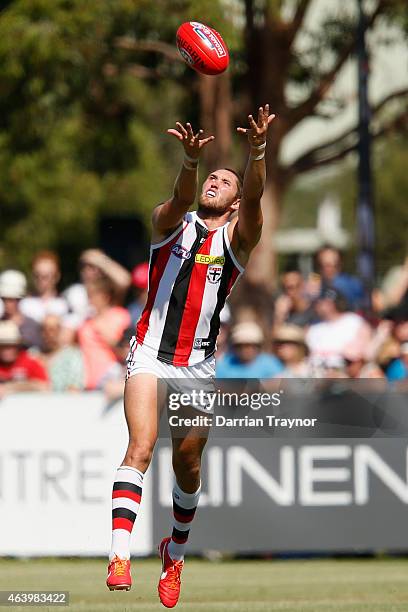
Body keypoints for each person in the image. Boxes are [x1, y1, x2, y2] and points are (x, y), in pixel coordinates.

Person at [106, 105, 275, 607]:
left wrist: (258, 151)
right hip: (150, 354)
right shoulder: (170, 224)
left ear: (236, 200)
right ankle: (119, 554)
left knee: (188, 465)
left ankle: (174, 553)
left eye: (225, 180)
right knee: (141, 446)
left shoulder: (238, 238)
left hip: (197, 367)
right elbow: (182, 194)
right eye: (212, 177)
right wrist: (189, 160)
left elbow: (259, 194)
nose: (215, 183)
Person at [78, 278, 131, 390]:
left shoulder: (120, 316)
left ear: (105, 296)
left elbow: (127, 351)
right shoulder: (85, 321)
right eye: (88, 295)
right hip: (88, 384)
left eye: (93, 296)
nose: (90, 300)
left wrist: (110, 339)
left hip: (112, 380)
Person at [30, 314, 85, 392]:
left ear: (60, 331)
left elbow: (74, 387)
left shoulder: (72, 356)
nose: (49, 334)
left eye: (53, 329)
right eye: (44, 329)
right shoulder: (32, 355)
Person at [0, 321, 49, 399]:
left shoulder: (29, 361)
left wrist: (10, 387)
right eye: (2, 346)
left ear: (18, 345)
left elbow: (44, 387)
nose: (6, 350)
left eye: (10, 345)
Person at [216, 321, 283, 378]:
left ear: (258, 346)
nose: (246, 350)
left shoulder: (270, 363)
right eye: (241, 345)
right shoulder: (225, 363)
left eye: (250, 345)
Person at [20, 251, 68, 323]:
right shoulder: (23, 305)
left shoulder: (65, 305)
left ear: (57, 276)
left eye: (46, 276)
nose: (41, 280)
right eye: (37, 276)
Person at [0, 270, 41, 348]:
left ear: (20, 299)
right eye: (4, 298)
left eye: (12, 299)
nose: (7, 303)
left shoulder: (31, 326)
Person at [315, 246, 365, 310]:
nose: (330, 269)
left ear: (340, 264)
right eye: (325, 265)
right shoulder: (317, 282)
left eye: (335, 265)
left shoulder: (348, 283)